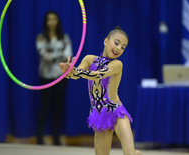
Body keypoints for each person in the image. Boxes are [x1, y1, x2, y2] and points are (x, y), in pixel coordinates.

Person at [60, 26, 142, 155]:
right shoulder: (89, 59)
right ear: (105, 41)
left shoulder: (117, 64)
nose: (119, 48)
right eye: (116, 43)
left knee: (130, 153)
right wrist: (69, 71)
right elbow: (77, 75)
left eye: (123, 47)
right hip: (100, 115)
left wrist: (75, 71)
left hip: (116, 112)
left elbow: (97, 74)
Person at [36, 10, 72, 145]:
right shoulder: (41, 37)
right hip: (46, 76)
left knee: (58, 107)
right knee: (44, 106)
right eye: (49, 19)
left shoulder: (65, 37)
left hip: (61, 76)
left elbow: (68, 56)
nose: (52, 22)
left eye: (54, 19)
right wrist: (59, 53)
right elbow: (44, 56)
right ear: (46, 22)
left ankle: (56, 138)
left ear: (58, 21)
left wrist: (53, 54)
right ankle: (39, 138)